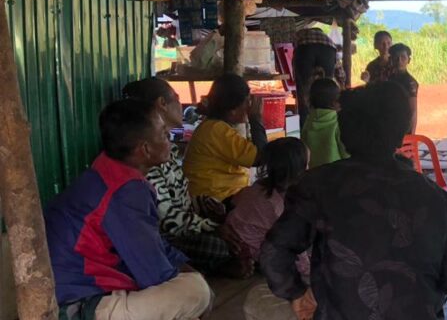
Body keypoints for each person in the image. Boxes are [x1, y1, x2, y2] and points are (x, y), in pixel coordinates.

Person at [244, 81, 447, 320]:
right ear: (401, 133)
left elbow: (274, 253)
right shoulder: (432, 194)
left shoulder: (317, 185)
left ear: (343, 134)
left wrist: (298, 295)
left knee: (255, 300)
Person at [46, 99, 213, 320]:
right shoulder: (125, 192)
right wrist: (191, 279)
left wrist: (184, 266)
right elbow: (155, 273)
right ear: (145, 149)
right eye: (163, 134)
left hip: (73, 307)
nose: (169, 139)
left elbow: (154, 245)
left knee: (189, 279)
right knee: (197, 293)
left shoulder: (107, 169)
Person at [122, 78, 240, 277]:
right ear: (162, 104)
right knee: (216, 246)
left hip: (184, 224)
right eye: (177, 99)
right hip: (166, 235)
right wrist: (213, 227)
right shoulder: (147, 158)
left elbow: (177, 198)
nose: (181, 105)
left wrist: (202, 203)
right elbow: (168, 218)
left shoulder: (165, 148)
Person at [223, 137, 310, 277]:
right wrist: (308, 269)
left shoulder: (257, 187)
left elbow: (235, 202)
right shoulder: (277, 206)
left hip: (233, 239)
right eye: (307, 165)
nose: (308, 169)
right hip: (250, 251)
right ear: (297, 171)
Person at [183, 73, 267, 202]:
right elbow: (260, 157)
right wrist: (256, 118)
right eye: (246, 102)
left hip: (219, 196)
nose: (249, 107)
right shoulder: (215, 130)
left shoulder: (215, 127)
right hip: (214, 201)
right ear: (233, 109)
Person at [293, 24, 341, 126]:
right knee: (326, 91)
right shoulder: (329, 40)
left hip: (305, 49)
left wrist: (298, 81)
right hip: (328, 51)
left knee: (303, 92)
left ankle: (305, 127)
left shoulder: (303, 37)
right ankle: (326, 124)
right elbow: (338, 68)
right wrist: (342, 83)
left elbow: (296, 67)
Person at [300, 78, 348, 168]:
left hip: (314, 172)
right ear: (335, 101)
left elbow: (304, 149)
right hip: (336, 172)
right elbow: (346, 153)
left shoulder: (308, 121)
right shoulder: (338, 122)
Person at [387, 43, 418, 135]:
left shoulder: (410, 82)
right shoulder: (389, 79)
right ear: (390, 59)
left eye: (403, 57)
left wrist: (412, 135)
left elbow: (413, 111)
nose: (399, 61)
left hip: (403, 127)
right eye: (396, 57)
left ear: (409, 60)